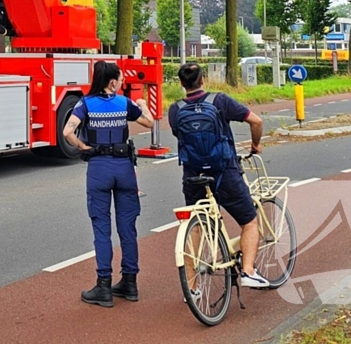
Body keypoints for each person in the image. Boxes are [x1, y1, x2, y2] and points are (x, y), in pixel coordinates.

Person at [63, 61, 157, 307]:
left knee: (102, 229)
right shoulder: (124, 103)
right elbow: (149, 122)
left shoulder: (85, 104)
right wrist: (144, 105)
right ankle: (130, 282)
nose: (123, 80)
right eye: (121, 77)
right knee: (127, 228)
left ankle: (103, 286)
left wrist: (83, 147)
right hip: (124, 168)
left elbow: (67, 132)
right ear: (112, 81)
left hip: (99, 169)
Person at [168, 62, 270, 289]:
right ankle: (249, 272)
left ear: (181, 83)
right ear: (203, 80)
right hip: (225, 172)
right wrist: (255, 144)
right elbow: (256, 121)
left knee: (194, 226)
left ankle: (192, 287)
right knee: (249, 221)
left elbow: (180, 136)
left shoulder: (175, 109)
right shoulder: (220, 101)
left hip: (193, 175)